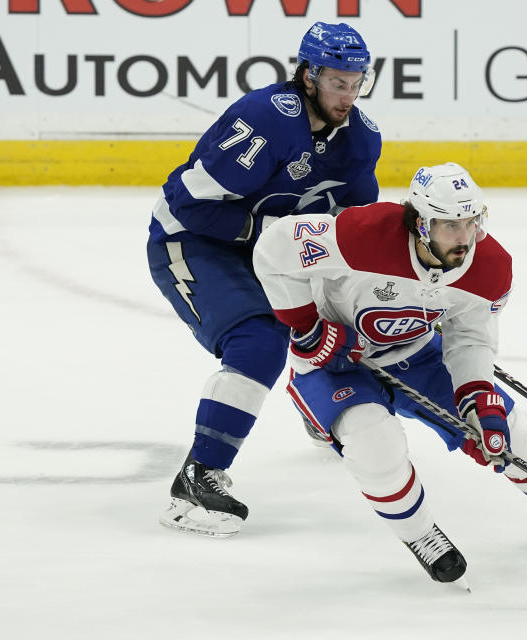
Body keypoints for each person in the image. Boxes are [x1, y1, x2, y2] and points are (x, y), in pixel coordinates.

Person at [252, 162, 527, 584]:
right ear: (419, 223)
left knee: (508, 430)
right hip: (338, 360)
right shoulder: (361, 234)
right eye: (450, 225)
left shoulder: (489, 265)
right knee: (375, 444)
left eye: (471, 222)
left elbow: (469, 338)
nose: (464, 237)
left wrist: (478, 397)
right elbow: (274, 250)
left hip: (416, 353)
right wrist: (308, 326)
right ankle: (420, 534)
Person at [146, 21, 382, 537]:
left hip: (270, 254)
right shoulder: (265, 119)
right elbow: (186, 203)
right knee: (257, 342)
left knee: (347, 319)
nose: (348, 94)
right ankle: (198, 476)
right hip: (193, 242)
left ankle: (322, 406)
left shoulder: (361, 140)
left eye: (356, 82)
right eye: (338, 81)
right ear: (308, 75)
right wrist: (268, 231)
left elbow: (356, 229)